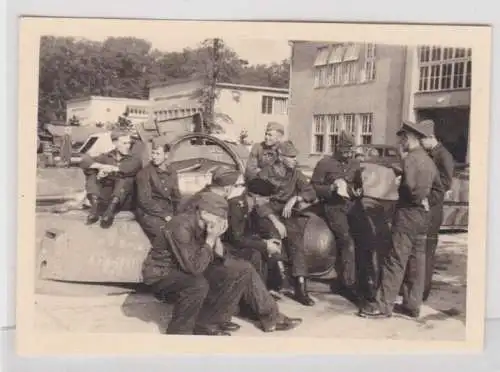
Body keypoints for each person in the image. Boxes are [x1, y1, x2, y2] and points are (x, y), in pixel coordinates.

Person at [141, 191, 302, 335]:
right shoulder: (180, 225)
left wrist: (216, 237)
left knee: (242, 269)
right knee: (198, 284)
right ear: (203, 212)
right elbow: (194, 268)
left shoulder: (206, 224)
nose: (220, 221)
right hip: (161, 273)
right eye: (218, 217)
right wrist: (211, 239)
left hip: (188, 267)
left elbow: (220, 259)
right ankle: (179, 333)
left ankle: (268, 318)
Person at [358, 120, 438, 319]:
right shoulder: (428, 159)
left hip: (408, 214)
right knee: (416, 261)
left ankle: (382, 306)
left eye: (402, 138)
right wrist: (424, 200)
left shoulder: (411, 158)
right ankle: (412, 306)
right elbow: (437, 187)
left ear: (409, 138)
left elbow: (411, 188)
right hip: (423, 216)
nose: (399, 142)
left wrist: (404, 187)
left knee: (396, 260)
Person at [252, 140, 318, 306]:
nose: (295, 160)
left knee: (296, 239)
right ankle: (276, 282)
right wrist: (275, 221)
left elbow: (310, 191)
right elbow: (258, 201)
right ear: (280, 157)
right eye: (291, 157)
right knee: (274, 236)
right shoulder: (265, 173)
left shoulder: (295, 173)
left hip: (286, 212)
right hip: (266, 213)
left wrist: (296, 198)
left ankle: (301, 287)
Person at [310, 131, 363, 295]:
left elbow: (359, 183)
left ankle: (362, 278)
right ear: (338, 148)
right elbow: (313, 187)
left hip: (352, 205)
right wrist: (330, 189)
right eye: (346, 151)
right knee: (346, 240)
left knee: (364, 237)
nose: (349, 154)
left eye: (351, 151)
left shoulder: (355, 163)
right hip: (333, 206)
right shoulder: (325, 163)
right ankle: (348, 284)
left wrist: (358, 189)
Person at [416, 119, 455, 301]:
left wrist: (428, 200)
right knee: (419, 249)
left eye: (422, 139)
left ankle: (423, 290)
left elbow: (445, 184)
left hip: (432, 209)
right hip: (424, 208)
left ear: (431, 137)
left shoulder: (443, 155)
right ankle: (416, 287)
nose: (421, 143)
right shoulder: (431, 153)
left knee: (427, 250)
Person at [222, 173, 283, 285]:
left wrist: (267, 241)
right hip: (228, 247)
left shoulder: (251, 208)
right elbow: (236, 239)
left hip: (239, 244)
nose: (267, 202)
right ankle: (255, 290)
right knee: (255, 254)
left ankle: (264, 288)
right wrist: (264, 245)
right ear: (256, 197)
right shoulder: (236, 207)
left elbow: (255, 230)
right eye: (266, 198)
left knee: (262, 251)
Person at [79, 130, 143, 228]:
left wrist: (108, 170)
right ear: (115, 143)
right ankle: (95, 206)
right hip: (106, 197)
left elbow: (125, 170)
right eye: (124, 143)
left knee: (125, 178)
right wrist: (100, 168)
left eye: (129, 143)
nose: (128, 146)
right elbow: (84, 161)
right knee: (92, 175)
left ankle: (110, 211)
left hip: (123, 200)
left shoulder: (135, 158)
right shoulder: (106, 156)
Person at [135, 140, 182, 244]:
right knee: (164, 234)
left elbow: (176, 196)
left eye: (158, 154)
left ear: (166, 155)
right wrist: (165, 215)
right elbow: (145, 200)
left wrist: (178, 214)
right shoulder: (144, 173)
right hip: (148, 213)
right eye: (153, 153)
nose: (154, 157)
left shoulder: (172, 172)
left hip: (166, 210)